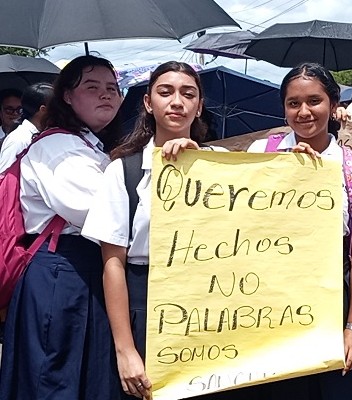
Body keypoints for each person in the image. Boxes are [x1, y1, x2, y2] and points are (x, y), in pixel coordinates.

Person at [81, 61, 226, 400]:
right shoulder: (124, 171)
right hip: (145, 305)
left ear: (199, 106)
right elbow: (112, 263)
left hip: (213, 302)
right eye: (165, 92)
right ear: (148, 103)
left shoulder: (222, 163)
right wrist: (126, 350)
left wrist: (295, 164)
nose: (177, 102)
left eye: (188, 94)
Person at [248, 62, 352, 400]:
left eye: (314, 101)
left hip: (330, 304)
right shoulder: (260, 155)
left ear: (334, 105)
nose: (304, 111)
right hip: (267, 308)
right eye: (293, 103)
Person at [0, 55, 123, 400]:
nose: (106, 95)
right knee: (52, 379)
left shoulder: (88, 146)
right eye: (92, 86)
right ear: (66, 96)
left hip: (79, 270)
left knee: (78, 375)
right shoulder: (59, 147)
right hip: (61, 271)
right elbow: (102, 213)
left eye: (112, 88)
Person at [0, 82, 54, 173]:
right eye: (57, 108)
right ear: (43, 110)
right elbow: (4, 177)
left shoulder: (46, 136)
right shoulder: (19, 140)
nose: (62, 112)